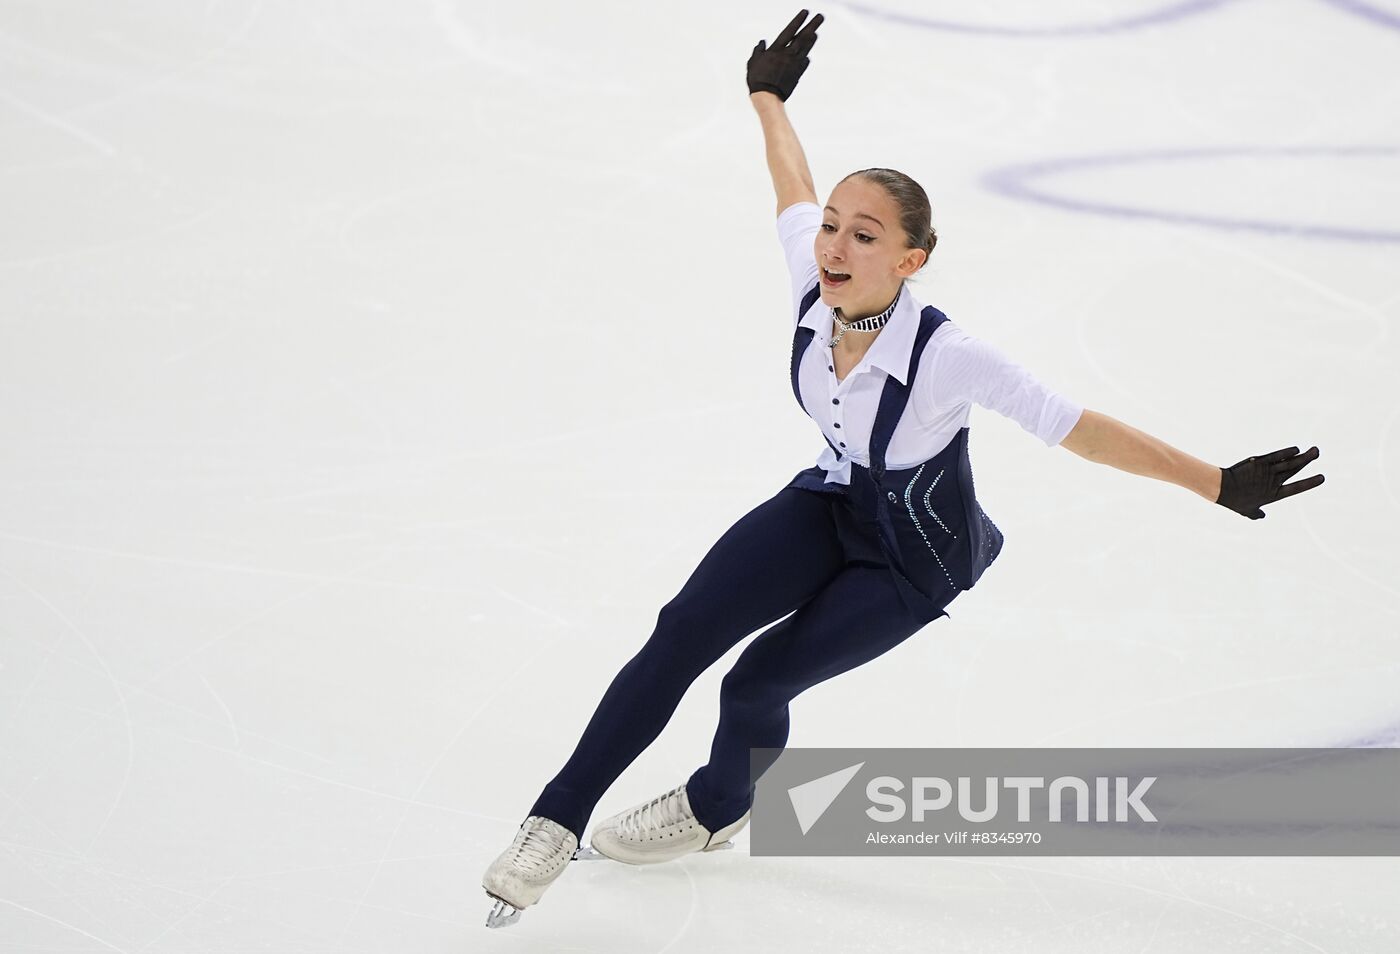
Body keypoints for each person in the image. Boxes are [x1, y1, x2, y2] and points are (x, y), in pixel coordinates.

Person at [480, 9, 1325, 929]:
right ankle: (552, 823)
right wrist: (767, 95)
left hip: (913, 557)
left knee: (755, 685)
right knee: (681, 629)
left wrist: (1214, 481)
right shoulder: (813, 273)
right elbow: (792, 186)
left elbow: (1075, 427)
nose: (836, 246)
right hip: (830, 499)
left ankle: (716, 806)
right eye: (836, 228)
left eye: (866, 236)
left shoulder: (948, 354)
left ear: (911, 259)